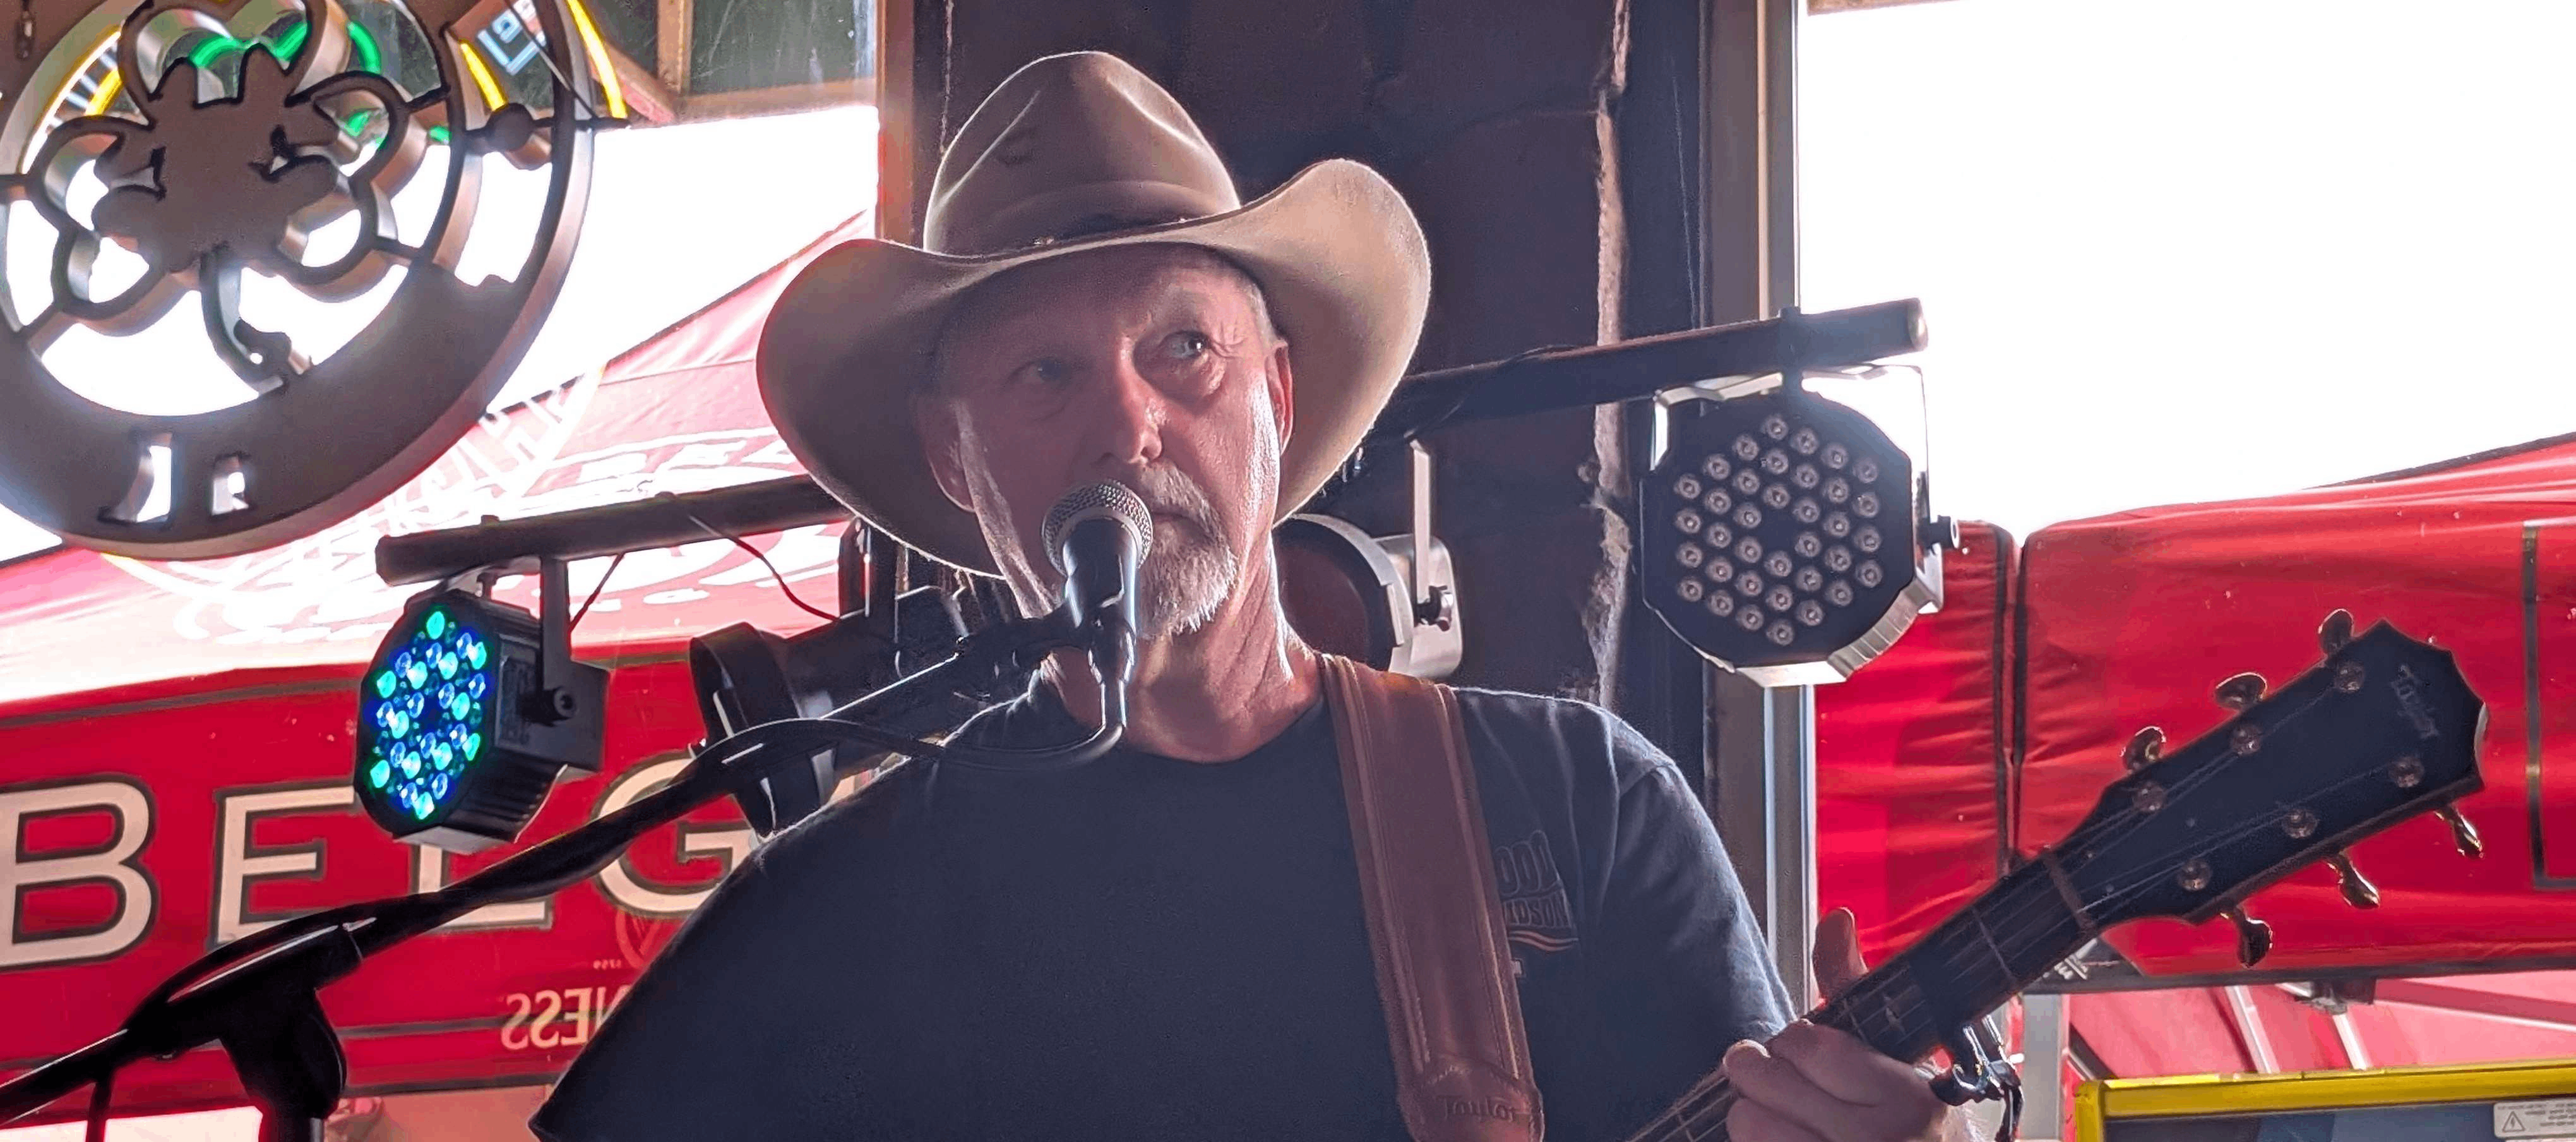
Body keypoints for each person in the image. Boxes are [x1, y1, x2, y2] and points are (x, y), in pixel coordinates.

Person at [533, 52, 1966, 1142]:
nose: (1129, 427)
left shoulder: (1573, 802)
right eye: (1046, 373)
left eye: (1183, 350)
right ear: (954, 459)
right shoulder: (839, 904)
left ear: (1278, 395)